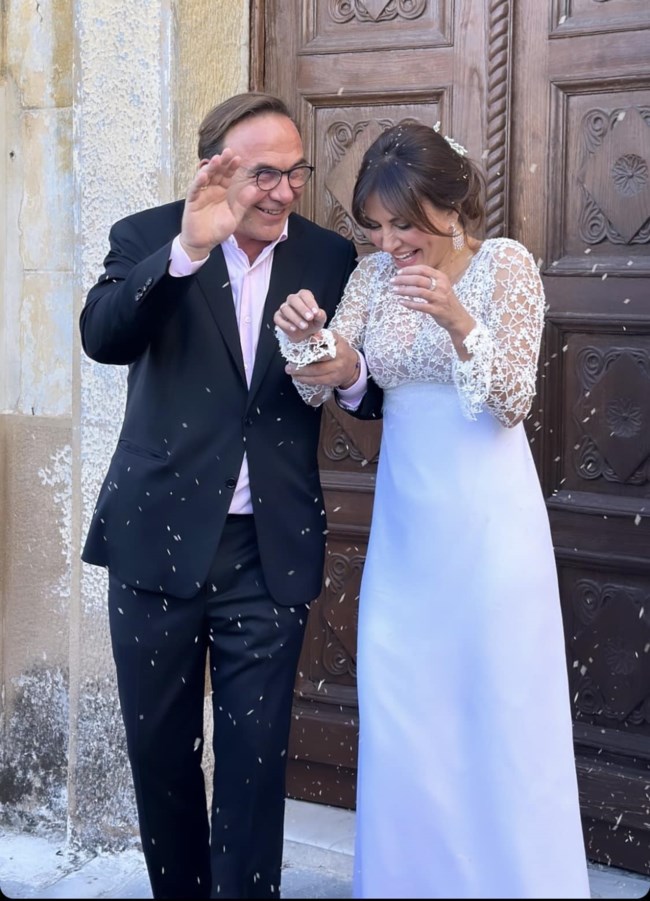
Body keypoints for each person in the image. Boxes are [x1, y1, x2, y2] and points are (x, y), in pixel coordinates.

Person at [273, 121, 591, 898]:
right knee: (406, 715)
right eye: (374, 226)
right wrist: (310, 341)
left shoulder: (505, 265)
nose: (388, 243)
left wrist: (455, 317)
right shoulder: (373, 277)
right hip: (407, 534)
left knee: (497, 713)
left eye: (403, 224)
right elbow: (336, 372)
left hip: (491, 531)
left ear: (450, 207)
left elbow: (511, 400)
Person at [78, 91, 366, 900]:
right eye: (264, 174)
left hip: (265, 552)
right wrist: (185, 251)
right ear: (216, 167)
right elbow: (103, 336)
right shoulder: (148, 236)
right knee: (161, 754)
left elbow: (366, 388)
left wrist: (347, 372)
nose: (284, 191)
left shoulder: (329, 257)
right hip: (155, 540)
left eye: (295, 172)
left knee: (254, 762)